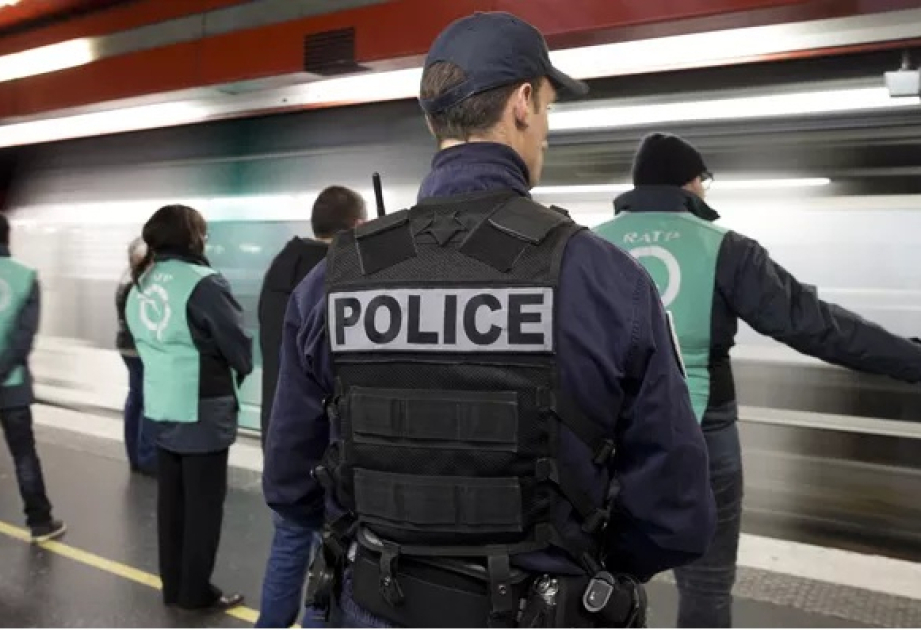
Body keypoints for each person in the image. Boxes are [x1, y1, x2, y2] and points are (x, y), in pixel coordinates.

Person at [263, 12, 716, 629]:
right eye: (549, 110)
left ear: (433, 120)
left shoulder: (333, 279)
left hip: (374, 604)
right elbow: (677, 513)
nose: (547, 132)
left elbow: (291, 483)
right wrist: (578, 564)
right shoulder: (604, 277)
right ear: (524, 103)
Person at [593, 131, 921, 628]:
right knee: (705, 586)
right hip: (701, 438)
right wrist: (911, 359)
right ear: (692, 184)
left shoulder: (590, 245)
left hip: (607, 440)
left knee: (603, 578)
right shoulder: (726, 248)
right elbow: (816, 327)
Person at [126, 204, 253, 611]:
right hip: (202, 409)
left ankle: (174, 585)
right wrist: (242, 366)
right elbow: (237, 343)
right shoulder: (204, 283)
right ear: (192, 237)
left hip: (161, 404)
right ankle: (195, 593)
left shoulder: (141, 282)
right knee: (203, 508)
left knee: (172, 505)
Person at [256, 186, 367, 628]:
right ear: (358, 226)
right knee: (332, 552)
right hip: (331, 443)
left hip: (281, 427)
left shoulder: (280, 266)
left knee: (287, 539)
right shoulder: (343, 276)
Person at [0, 213, 66, 543]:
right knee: (24, 455)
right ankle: (40, 522)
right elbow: (24, 337)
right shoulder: (26, 277)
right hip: (12, 387)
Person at [115, 236, 157, 475]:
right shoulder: (142, 282)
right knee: (146, 401)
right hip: (140, 349)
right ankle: (146, 457)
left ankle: (135, 454)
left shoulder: (126, 277)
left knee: (136, 399)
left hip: (127, 347)